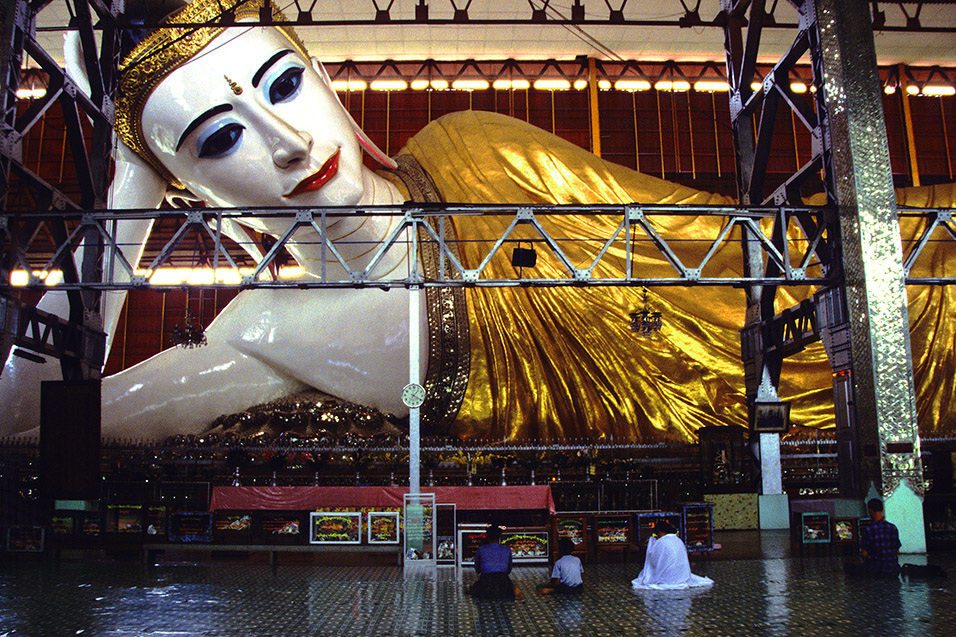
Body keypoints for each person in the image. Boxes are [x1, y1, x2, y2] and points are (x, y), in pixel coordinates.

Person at [2, 0, 954, 444]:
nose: (289, 141)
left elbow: (702, 235)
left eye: (288, 85)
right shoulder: (271, 334)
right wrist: (129, 180)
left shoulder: (471, 146)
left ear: (327, 82)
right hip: (744, 420)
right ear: (195, 193)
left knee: (920, 250)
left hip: (812, 319)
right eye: (219, 139)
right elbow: (21, 418)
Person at [631, 519, 713, 590]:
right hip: (682, 575)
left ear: (660, 532)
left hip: (667, 577)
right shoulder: (678, 540)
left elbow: (653, 560)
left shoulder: (661, 542)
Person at [848, 498, 901, 577]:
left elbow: (864, 554)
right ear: (882, 510)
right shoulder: (893, 527)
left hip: (876, 571)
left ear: (870, 511)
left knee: (849, 567)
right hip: (893, 570)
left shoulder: (869, 529)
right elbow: (896, 550)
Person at [470, 525, 522, 600]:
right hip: (503, 584)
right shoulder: (507, 550)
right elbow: (508, 570)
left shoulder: (481, 549)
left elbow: (477, 570)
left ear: (487, 536)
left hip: (486, 583)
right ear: (500, 536)